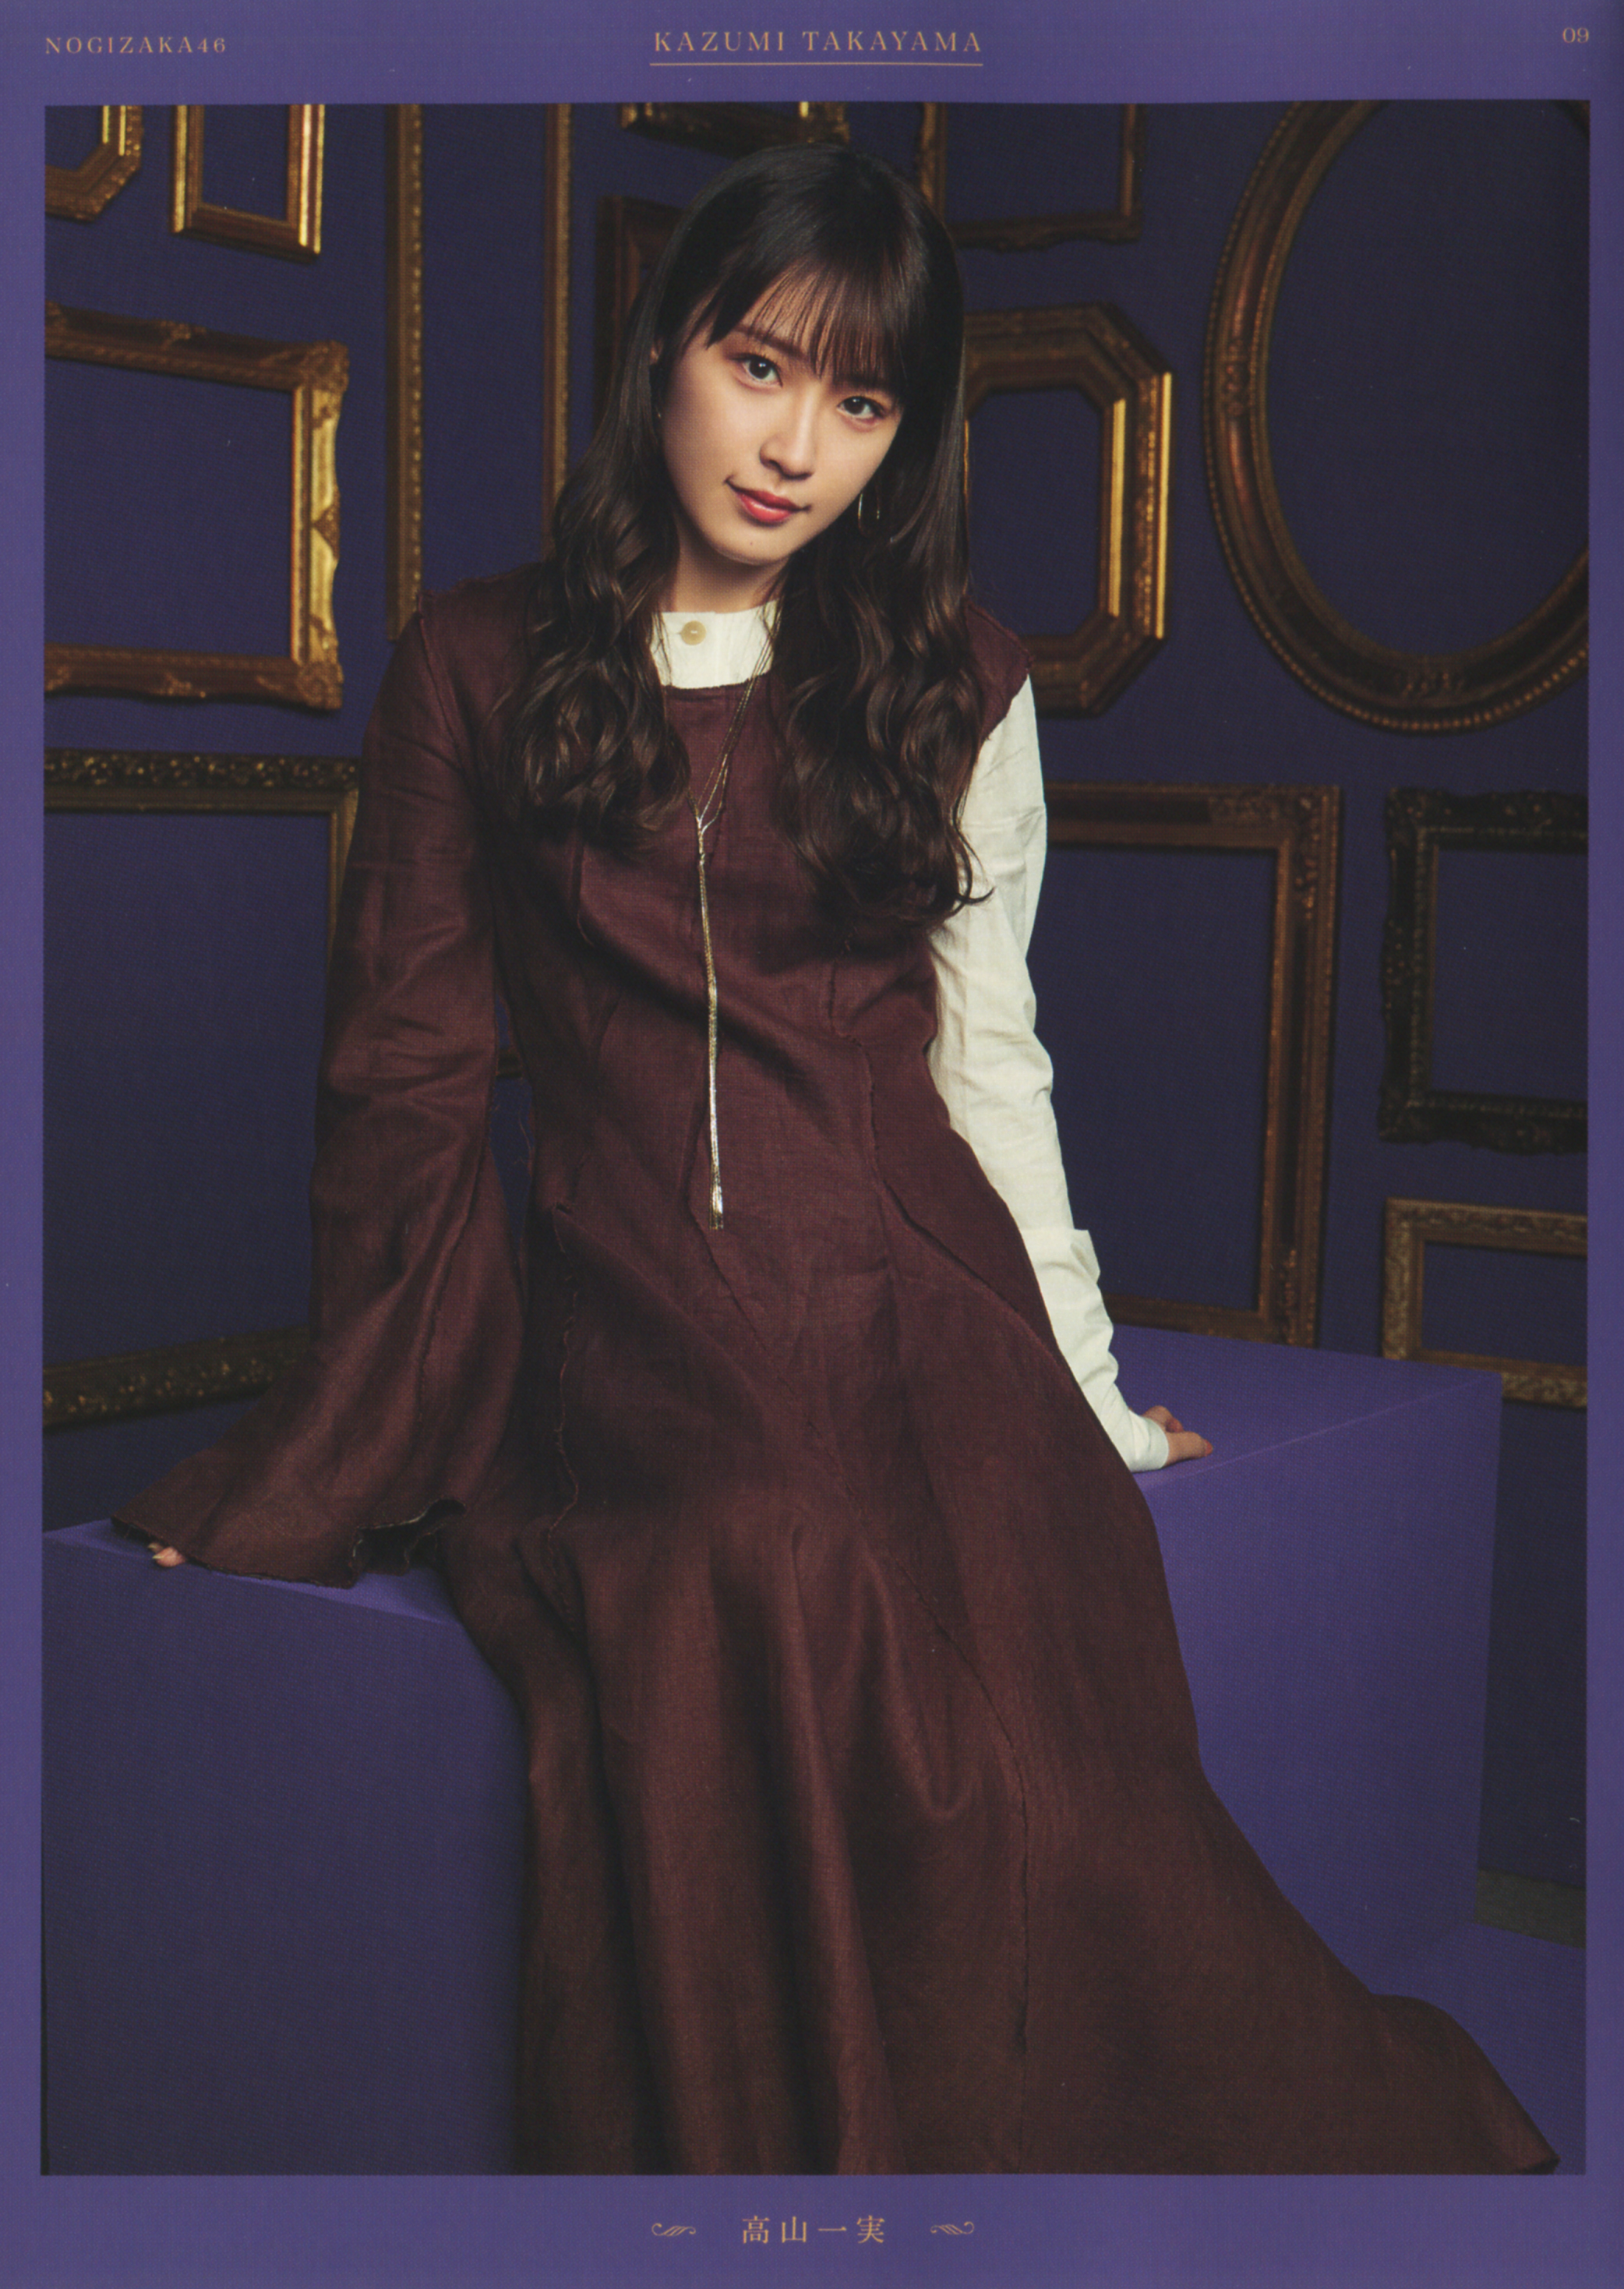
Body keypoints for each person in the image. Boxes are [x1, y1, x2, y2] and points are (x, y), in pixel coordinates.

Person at [121, 141, 1553, 2175]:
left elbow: (988, 1061)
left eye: (862, 401)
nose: (797, 445)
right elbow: (405, 1088)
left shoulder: (954, 676)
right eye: (761, 366)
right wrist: (331, 1449)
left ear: (905, 437)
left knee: (1037, 1742)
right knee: (757, 1553)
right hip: (630, 1311)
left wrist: (1082, 1390)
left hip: (917, 1295)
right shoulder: (470, 665)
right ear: (666, 352)